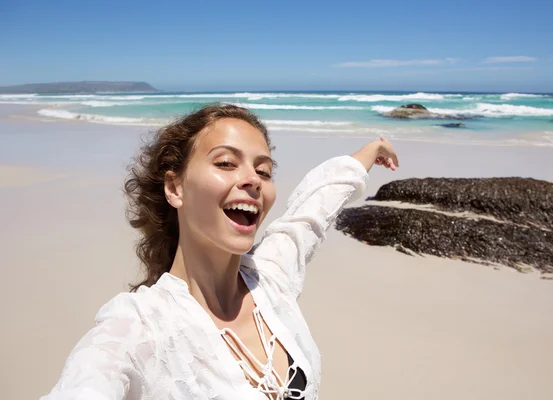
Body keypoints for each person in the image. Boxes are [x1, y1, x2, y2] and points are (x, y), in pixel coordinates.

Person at [42, 104, 399, 400]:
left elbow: (314, 209)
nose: (253, 179)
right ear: (175, 187)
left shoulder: (270, 279)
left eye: (263, 170)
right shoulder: (137, 327)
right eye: (226, 163)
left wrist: (370, 151)